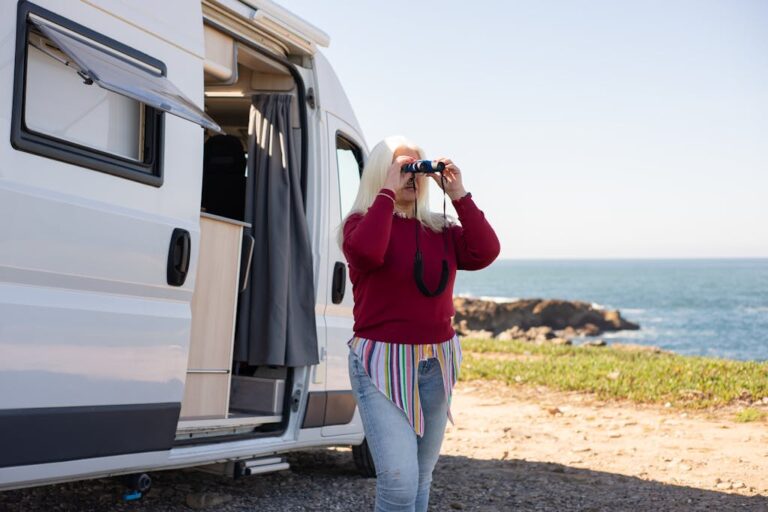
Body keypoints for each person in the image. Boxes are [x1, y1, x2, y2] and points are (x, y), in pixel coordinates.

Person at [337, 135, 501, 511]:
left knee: (421, 478)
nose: (412, 176)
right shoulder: (359, 224)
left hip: (436, 361)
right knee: (398, 483)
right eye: (403, 168)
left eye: (417, 169)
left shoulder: (440, 228)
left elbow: (486, 251)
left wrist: (458, 194)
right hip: (381, 362)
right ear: (382, 173)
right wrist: (387, 192)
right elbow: (366, 253)